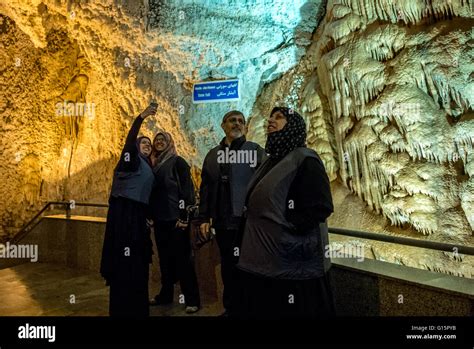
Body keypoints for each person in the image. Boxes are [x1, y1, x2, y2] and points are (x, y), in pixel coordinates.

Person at [235, 106, 335, 318]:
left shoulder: (305, 159)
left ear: (294, 126)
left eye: (279, 117)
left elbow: (320, 206)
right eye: (270, 116)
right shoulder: (271, 160)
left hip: (291, 268)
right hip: (263, 264)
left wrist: (287, 231)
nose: (271, 120)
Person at [198, 110, 265, 316]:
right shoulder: (212, 156)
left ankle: (249, 308)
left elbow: (264, 185)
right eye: (232, 121)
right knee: (228, 266)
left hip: (247, 223)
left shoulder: (255, 151)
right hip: (223, 222)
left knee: (248, 266)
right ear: (223, 125)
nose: (236, 124)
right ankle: (231, 308)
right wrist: (204, 218)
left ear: (245, 127)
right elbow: (206, 188)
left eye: (240, 121)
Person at [100, 103, 157, 317]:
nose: (147, 145)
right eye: (143, 143)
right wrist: (141, 118)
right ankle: (123, 309)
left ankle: (137, 307)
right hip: (125, 216)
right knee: (125, 263)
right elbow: (129, 142)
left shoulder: (146, 166)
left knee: (138, 262)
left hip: (138, 216)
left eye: (149, 145)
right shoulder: (129, 160)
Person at [148, 131, 201, 313]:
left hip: (177, 221)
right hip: (161, 220)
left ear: (170, 142)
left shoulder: (178, 162)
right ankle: (165, 294)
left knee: (183, 260)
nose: (159, 142)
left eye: (163, 139)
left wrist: (184, 217)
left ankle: (192, 299)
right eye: (157, 139)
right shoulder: (154, 165)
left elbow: (187, 191)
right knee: (165, 260)